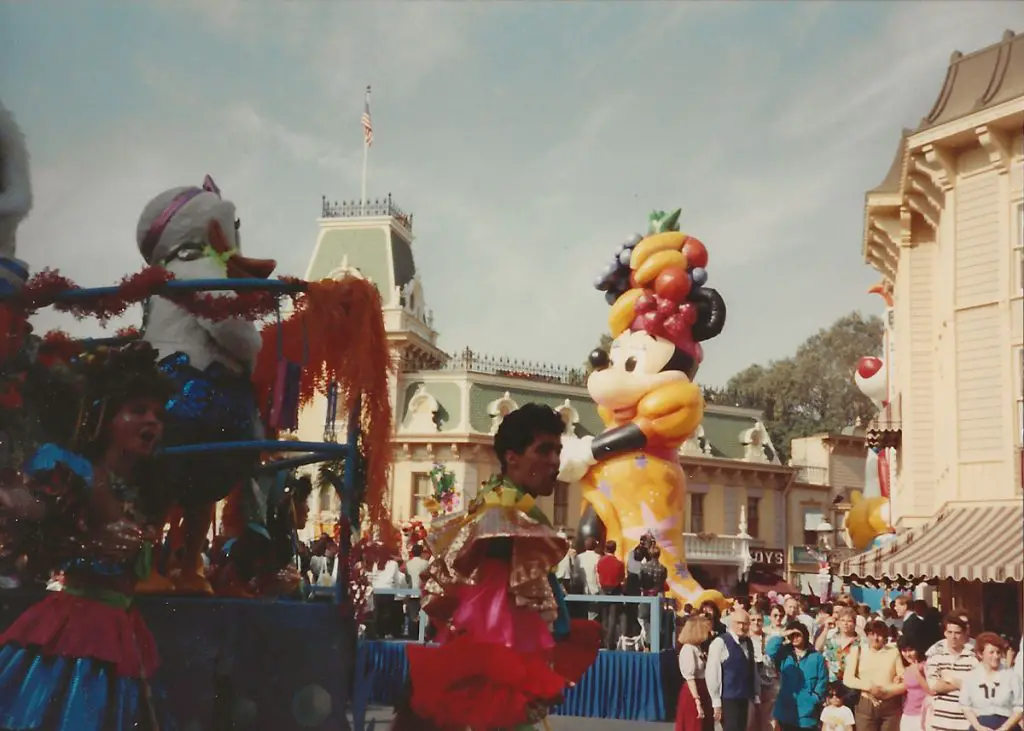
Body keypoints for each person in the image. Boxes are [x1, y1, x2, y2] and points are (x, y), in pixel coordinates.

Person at [0, 343, 177, 730]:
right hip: (74, 629)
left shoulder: (141, 488)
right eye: (138, 410)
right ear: (106, 417)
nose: (152, 422)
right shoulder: (74, 472)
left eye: (158, 415)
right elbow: (31, 508)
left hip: (122, 627)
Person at [395, 403, 600, 731]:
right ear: (511, 457)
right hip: (497, 665)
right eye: (543, 450)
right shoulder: (505, 516)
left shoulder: (496, 503)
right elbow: (495, 606)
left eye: (557, 451)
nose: (553, 461)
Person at [844, 619, 906, 731]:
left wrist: (888, 689)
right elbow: (848, 679)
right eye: (872, 634)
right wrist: (869, 687)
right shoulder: (857, 651)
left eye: (880, 635)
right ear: (867, 635)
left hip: (890, 704)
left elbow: (903, 679)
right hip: (866, 703)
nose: (876, 638)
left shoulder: (893, 652)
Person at [767, 620, 829, 731]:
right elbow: (769, 650)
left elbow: (822, 681)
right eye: (792, 635)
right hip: (786, 712)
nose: (794, 638)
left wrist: (814, 698)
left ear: (805, 635)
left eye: (798, 635)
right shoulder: (784, 653)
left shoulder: (816, 657)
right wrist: (782, 635)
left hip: (808, 715)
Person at [707, 608, 760, 731]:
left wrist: (756, 695)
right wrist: (716, 702)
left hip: (745, 697)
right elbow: (713, 674)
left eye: (745, 624)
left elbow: (753, 670)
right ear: (732, 623)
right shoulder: (720, 643)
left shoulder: (749, 643)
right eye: (738, 623)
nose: (742, 627)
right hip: (728, 699)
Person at [959, 632, 1023, 731]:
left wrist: (1004, 728)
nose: (996, 656)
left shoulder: (1011, 676)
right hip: (980, 726)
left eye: (998, 652)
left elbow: (1019, 707)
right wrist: (978, 727)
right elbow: (965, 706)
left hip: (1008, 726)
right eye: (991, 652)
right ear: (980, 654)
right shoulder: (971, 677)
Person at [926, 614, 980, 731]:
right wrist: (962, 683)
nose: (953, 637)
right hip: (940, 722)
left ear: (965, 633)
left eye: (957, 633)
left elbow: (976, 688)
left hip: (966, 723)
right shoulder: (935, 656)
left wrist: (950, 679)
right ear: (945, 633)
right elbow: (935, 686)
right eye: (949, 632)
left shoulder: (973, 658)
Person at [676, 615, 714, 731]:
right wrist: (697, 701)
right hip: (693, 692)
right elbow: (690, 677)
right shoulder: (688, 649)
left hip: (703, 689)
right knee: (694, 725)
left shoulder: (698, 648)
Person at [749, 611, 779, 731]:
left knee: (770, 717)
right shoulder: (745, 639)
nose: (756, 622)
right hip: (752, 681)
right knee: (751, 717)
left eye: (759, 620)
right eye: (753, 620)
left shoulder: (770, 638)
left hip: (769, 679)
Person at [597, 539, 626, 649]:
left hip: (603, 590)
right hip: (615, 591)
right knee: (612, 618)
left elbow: (598, 575)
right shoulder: (619, 563)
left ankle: (604, 641)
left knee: (604, 617)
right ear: (614, 549)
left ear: (605, 549)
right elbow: (622, 578)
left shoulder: (600, 562)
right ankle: (610, 642)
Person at [900, 636, 933, 731]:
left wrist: (918, 674)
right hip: (907, 714)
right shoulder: (907, 668)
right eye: (904, 651)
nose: (907, 654)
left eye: (910, 650)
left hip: (923, 714)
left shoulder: (926, 666)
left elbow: (931, 691)